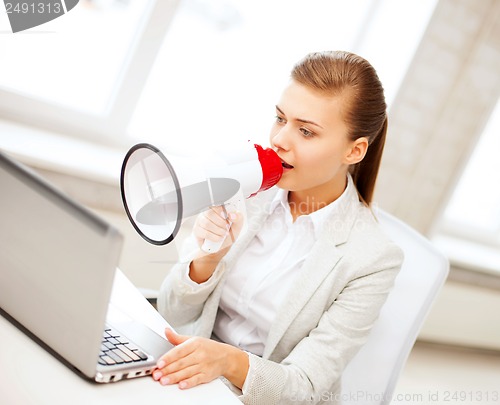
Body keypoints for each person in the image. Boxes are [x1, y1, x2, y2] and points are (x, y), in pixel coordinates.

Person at [153, 50, 404, 404]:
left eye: (305, 131)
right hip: (194, 380)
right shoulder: (247, 190)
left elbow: (306, 386)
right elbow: (171, 312)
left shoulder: (373, 259)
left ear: (355, 150)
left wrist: (228, 361)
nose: (280, 140)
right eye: (279, 118)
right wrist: (206, 261)